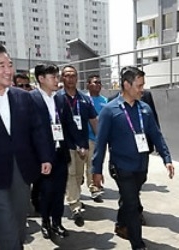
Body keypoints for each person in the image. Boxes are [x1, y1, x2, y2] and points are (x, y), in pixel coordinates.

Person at [0, 43, 53, 250]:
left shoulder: (23, 97)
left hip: (22, 168)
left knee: (18, 218)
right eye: (1, 65)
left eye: (9, 64)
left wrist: (45, 157)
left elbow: (37, 130)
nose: (8, 70)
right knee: (4, 218)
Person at [92, 66, 174, 250]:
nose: (142, 89)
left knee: (130, 198)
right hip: (121, 167)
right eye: (139, 85)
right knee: (132, 204)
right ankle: (137, 244)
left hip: (141, 166)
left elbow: (156, 135)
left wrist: (166, 158)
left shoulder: (145, 109)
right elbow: (100, 142)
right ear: (127, 85)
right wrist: (95, 171)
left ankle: (121, 224)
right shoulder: (109, 110)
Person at [30, 63, 88, 239]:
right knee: (46, 192)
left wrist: (80, 143)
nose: (57, 80)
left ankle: (57, 223)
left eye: (57, 76)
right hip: (42, 157)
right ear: (41, 79)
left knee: (59, 191)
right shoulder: (30, 99)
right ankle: (45, 223)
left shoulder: (60, 99)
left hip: (60, 154)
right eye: (53, 77)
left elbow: (69, 124)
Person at [56, 65, 97, 227]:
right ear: (62, 78)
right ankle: (75, 206)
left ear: (77, 78)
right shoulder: (57, 98)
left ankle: (75, 198)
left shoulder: (85, 99)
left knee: (78, 175)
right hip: (65, 145)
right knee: (71, 174)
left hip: (82, 145)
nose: (70, 78)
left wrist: (100, 139)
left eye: (73, 75)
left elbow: (94, 120)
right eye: (67, 75)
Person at [85, 74, 108, 202]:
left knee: (92, 165)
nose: (98, 85)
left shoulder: (105, 101)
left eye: (99, 83)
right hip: (84, 138)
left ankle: (94, 187)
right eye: (95, 82)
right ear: (88, 85)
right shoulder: (83, 99)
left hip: (98, 139)